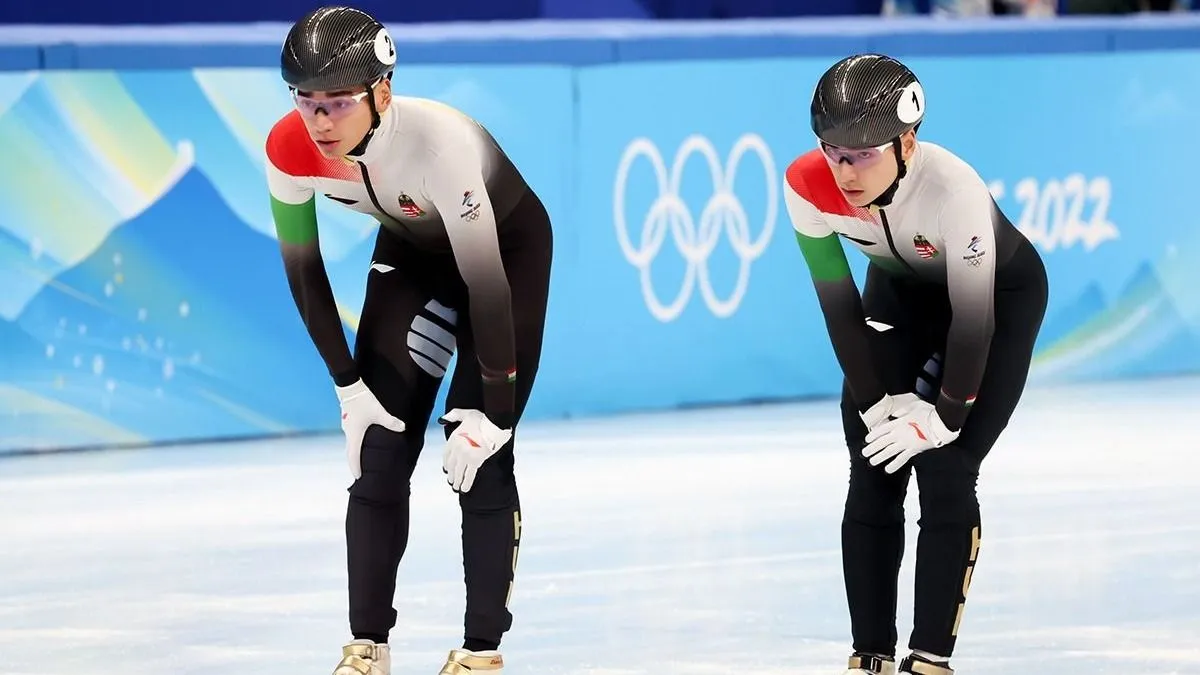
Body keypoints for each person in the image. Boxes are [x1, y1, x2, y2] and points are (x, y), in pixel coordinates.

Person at [263, 6, 553, 674]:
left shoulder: (440, 147)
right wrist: (348, 387)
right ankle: (368, 646)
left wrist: (495, 414)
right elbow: (303, 271)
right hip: (414, 253)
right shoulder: (288, 148)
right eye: (306, 100)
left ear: (383, 93)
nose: (320, 121)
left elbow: (486, 284)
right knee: (379, 450)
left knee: (478, 452)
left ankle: (481, 652)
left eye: (338, 101)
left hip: (503, 259)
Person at [782, 54, 1048, 675]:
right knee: (873, 458)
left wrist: (944, 416)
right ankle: (869, 655)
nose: (844, 172)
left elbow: (974, 321)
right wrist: (876, 402)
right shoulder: (804, 184)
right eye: (832, 152)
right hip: (901, 294)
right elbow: (840, 308)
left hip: (996, 301)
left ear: (906, 143)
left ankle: (930, 660)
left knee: (948, 466)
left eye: (862, 155)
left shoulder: (955, 192)